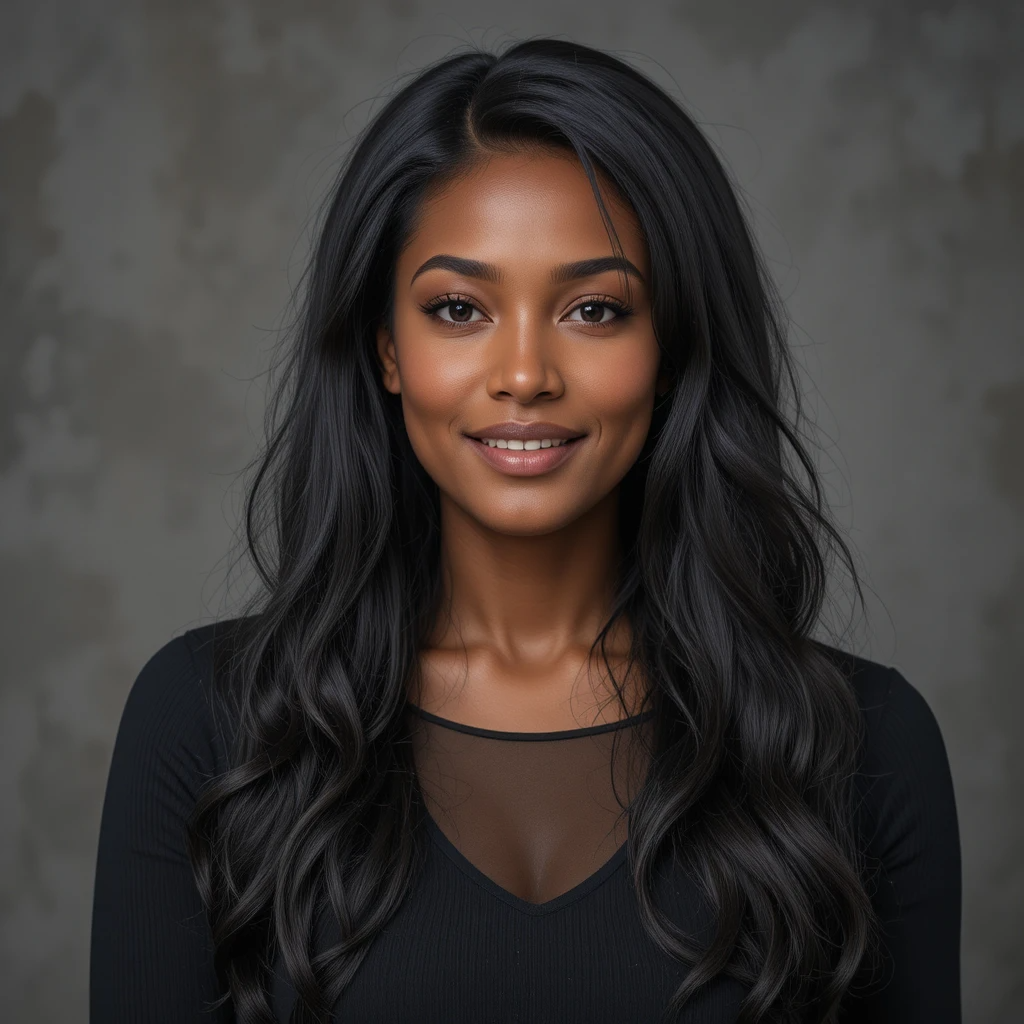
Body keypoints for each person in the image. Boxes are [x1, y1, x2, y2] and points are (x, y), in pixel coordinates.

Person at [89, 38, 961, 1023]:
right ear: (386, 348)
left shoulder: (863, 746)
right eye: (458, 308)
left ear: (669, 347)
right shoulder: (210, 728)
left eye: (593, 309)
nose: (522, 372)